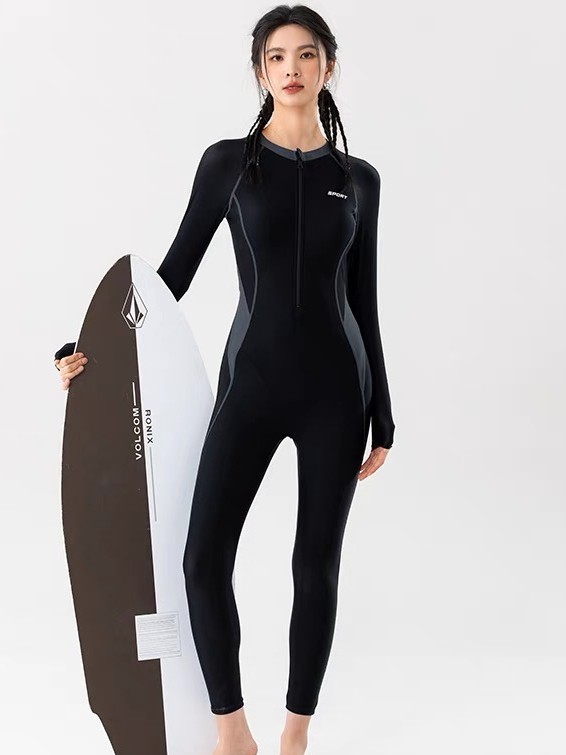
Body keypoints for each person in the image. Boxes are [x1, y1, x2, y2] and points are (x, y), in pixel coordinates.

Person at [54, 6, 395, 755]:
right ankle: (231, 731)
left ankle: (295, 737)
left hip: (338, 395)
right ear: (260, 70)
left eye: (306, 55)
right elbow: (170, 278)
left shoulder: (359, 180)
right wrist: (93, 348)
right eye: (276, 56)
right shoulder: (228, 165)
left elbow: (364, 301)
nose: (291, 68)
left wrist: (385, 416)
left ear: (329, 67)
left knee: (315, 566)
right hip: (252, 387)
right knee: (202, 559)